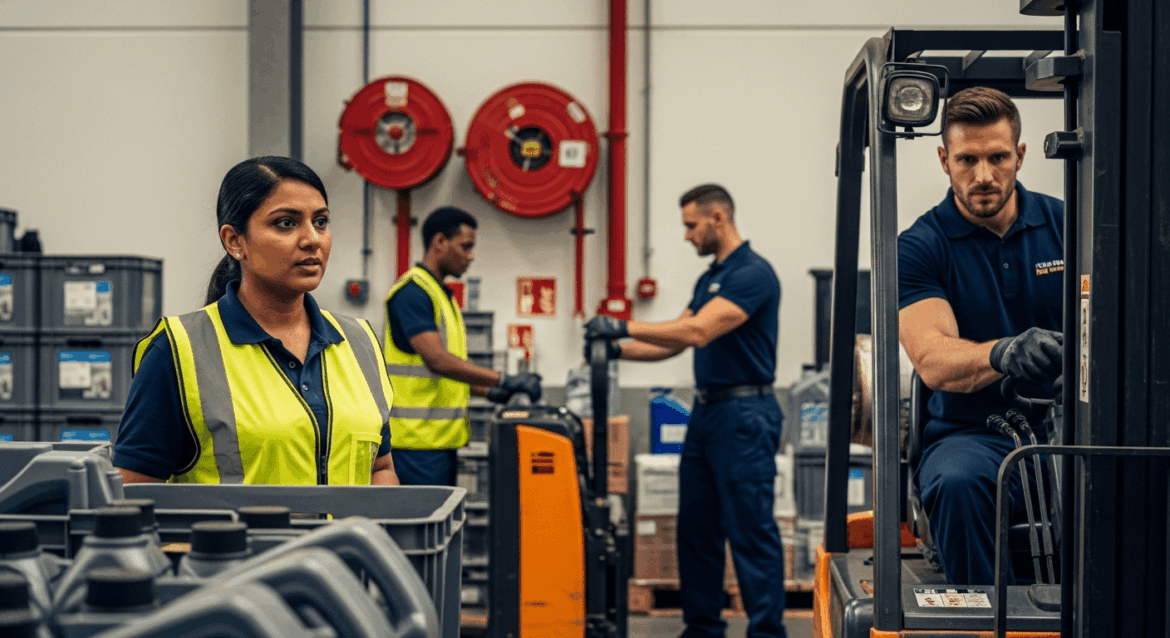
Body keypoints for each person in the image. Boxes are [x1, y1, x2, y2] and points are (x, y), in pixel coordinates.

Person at [114, 156, 399, 486]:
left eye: (320, 222)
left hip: (351, 541)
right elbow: (134, 490)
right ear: (235, 241)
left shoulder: (359, 340)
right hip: (237, 541)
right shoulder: (179, 350)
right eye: (286, 223)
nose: (312, 239)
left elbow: (380, 468)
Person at [585, 184, 786, 638]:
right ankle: (702, 628)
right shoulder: (710, 277)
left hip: (745, 414)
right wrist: (615, 351)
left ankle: (768, 632)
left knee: (750, 530)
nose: (686, 236)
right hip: (708, 414)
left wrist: (622, 324)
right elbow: (674, 339)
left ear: (719, 218)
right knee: (696, 528)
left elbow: (697, 331)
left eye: (691, 225)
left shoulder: (752, 274)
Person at [898, 87, 1064, 585]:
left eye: (997, 157)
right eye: (968, 159)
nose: (984, 176)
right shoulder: (921, 247)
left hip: (1075, 430)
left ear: (1020, 155)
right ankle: (982, 619)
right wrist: (1005, 352)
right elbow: (931, 357)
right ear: (945, 160)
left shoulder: (1072, 224)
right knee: (957, 482)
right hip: (974, 437)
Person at [384, 206, 542, 486]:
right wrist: (504, 379)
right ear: (440, 242)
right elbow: (438, 361)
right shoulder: (413, 293)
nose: (471, 256)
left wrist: (493, 392)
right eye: (466, 247)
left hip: (438, 443)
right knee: (422, 528)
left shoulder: (442, 297)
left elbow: (444, 377)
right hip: (415, 445)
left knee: (438, 527)